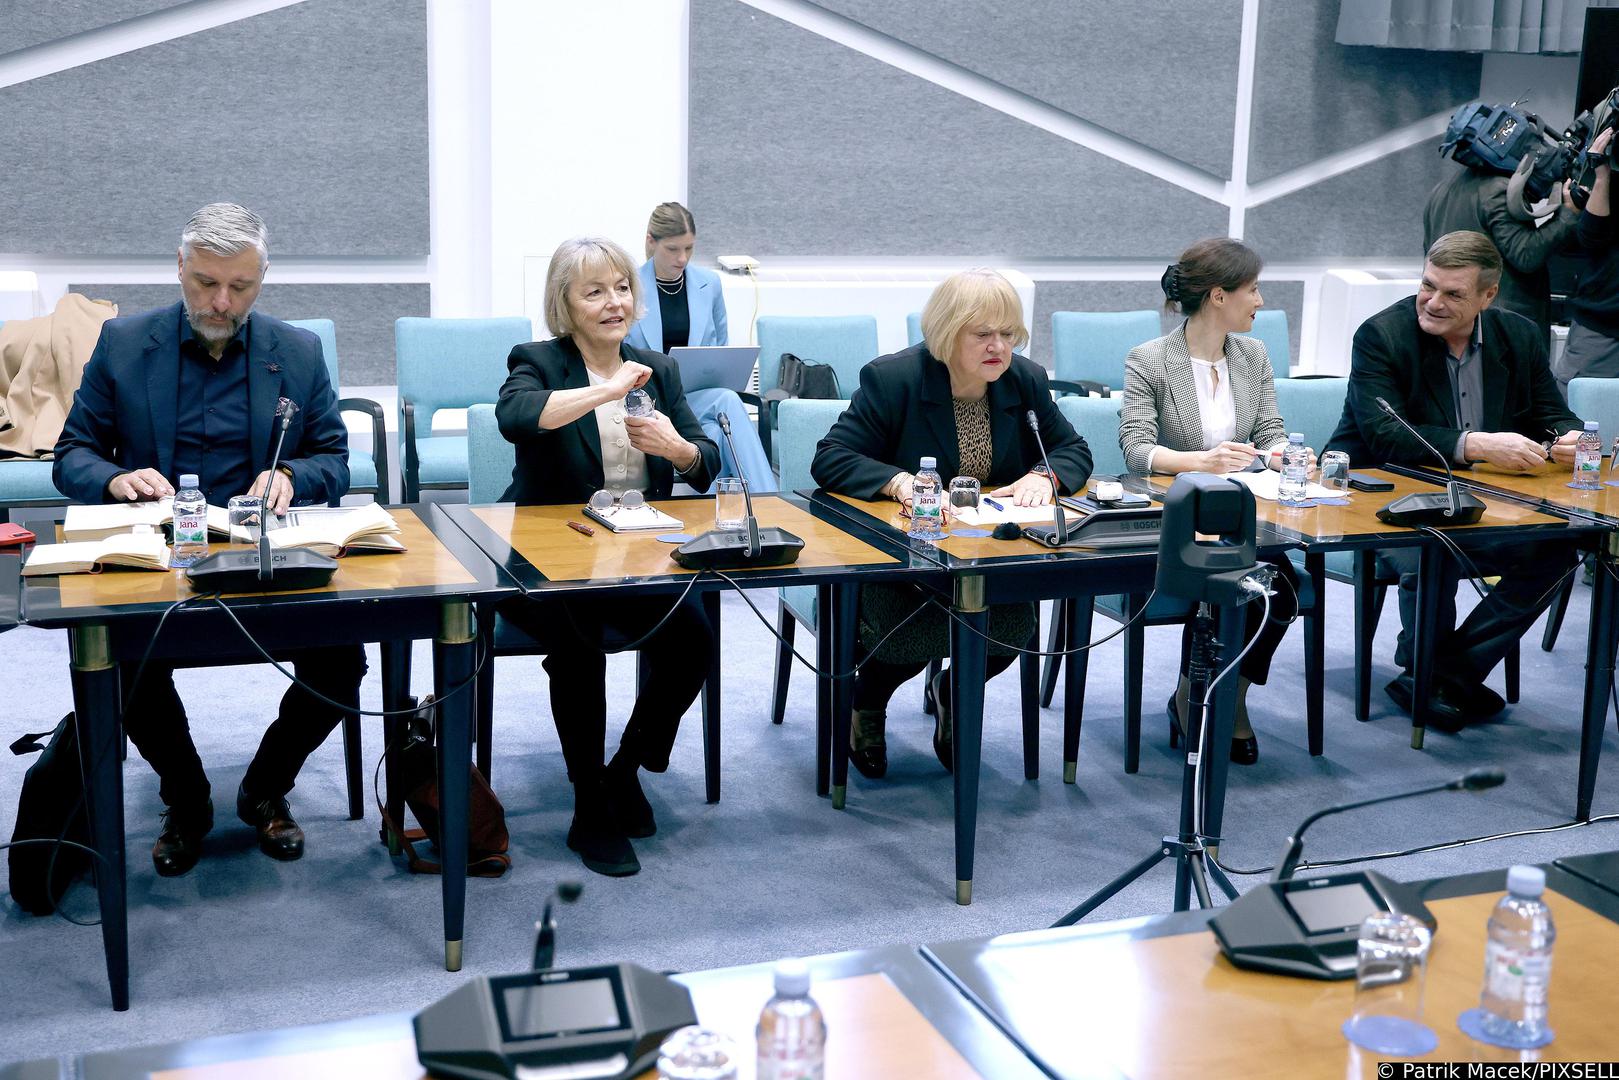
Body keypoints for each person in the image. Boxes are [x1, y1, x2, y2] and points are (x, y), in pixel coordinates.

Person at [53, 203, 365, 876]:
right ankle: (187, 798)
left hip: (263, 554)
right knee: (123, 661)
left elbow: (335, 458)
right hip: (161, 556)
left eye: (240, 286)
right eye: (206, 283)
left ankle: (265, 786)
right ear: (179, 268)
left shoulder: (296, 351)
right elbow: (72, 453)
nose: (222, 303)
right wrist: (115, 479)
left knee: (343, 660)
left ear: (262, 279)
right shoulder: (124, 343)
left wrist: (291, 475)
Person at [495, 236, 719, 878]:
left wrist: (677, 449)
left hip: (638, 553)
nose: (613, 302)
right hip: (547, 556)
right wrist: (606, 390)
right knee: (579, 644)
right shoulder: (539, 360)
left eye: (621, 287)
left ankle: (622, 770)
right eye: (594, 292)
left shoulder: (657, 369)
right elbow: (517, 417)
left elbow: (705, 463)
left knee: (693, 641)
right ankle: (588, 802)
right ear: (565, 304)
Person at [812, 269, 1091, 778]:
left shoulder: (1024, 379)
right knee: (905, 636)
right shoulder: (893, 379)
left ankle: (953, 692)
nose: (998, 347)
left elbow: (1072, 449)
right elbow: (831, 458)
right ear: (947, 331)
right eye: (982, 333)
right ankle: (866, 703)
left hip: (988, 554)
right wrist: (899, 482)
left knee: (1014, 625)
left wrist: (1043, 475)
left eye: (1007, 333)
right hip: (905, 555)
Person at [1325, 230, 1585, 730]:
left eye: (1452, 293)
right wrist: (1479, 444)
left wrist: (1570, 438)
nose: (1433, 302)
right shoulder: (1382, 335)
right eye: (1428, 285)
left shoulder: (1519, 335)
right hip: (1379, 498)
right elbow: (1386, 436)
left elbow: (1552, 413)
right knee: (1435, 550)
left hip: (1481, 500)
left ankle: (1441, 673)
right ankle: (1431, 672)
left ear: (1488, 296)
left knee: (1557, 552)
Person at [1118, 238, 1301, 765]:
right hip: (1177, 516)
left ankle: (1226, 696)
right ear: (1219, 296)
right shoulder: (1150, 359)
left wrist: (1283, 455)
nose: (1260, 301)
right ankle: (1193, 698)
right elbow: (1136, 449)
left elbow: (1270, 430)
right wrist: (1201, 461)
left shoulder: (1253, 354)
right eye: (1253, 290)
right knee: (1230, 583)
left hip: (1243, 513)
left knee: (1280, 592)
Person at [624, 201, 775, 492]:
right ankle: (766, 500)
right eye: (673, 249)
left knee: (722, 409)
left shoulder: (709, 284)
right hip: (647, 401)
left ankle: (743, 505)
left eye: (689, 248)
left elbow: (720, 349)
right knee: (718, 423)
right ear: (651, 241)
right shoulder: (629, 286)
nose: (682, 258)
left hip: (694, 399)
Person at [1422, 148, 1578, 341]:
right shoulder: (1498, 190)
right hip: (1502, 326)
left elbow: (1431, 254)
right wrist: (1568, 214)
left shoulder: (1442, 190)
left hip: (1455, 320)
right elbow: (1525, 255)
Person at [1552, 127, 1618, 393]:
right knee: (1577, 406)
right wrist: (1601, 175)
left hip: (1602, 317)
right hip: (1602, 324)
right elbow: (1592, 236)